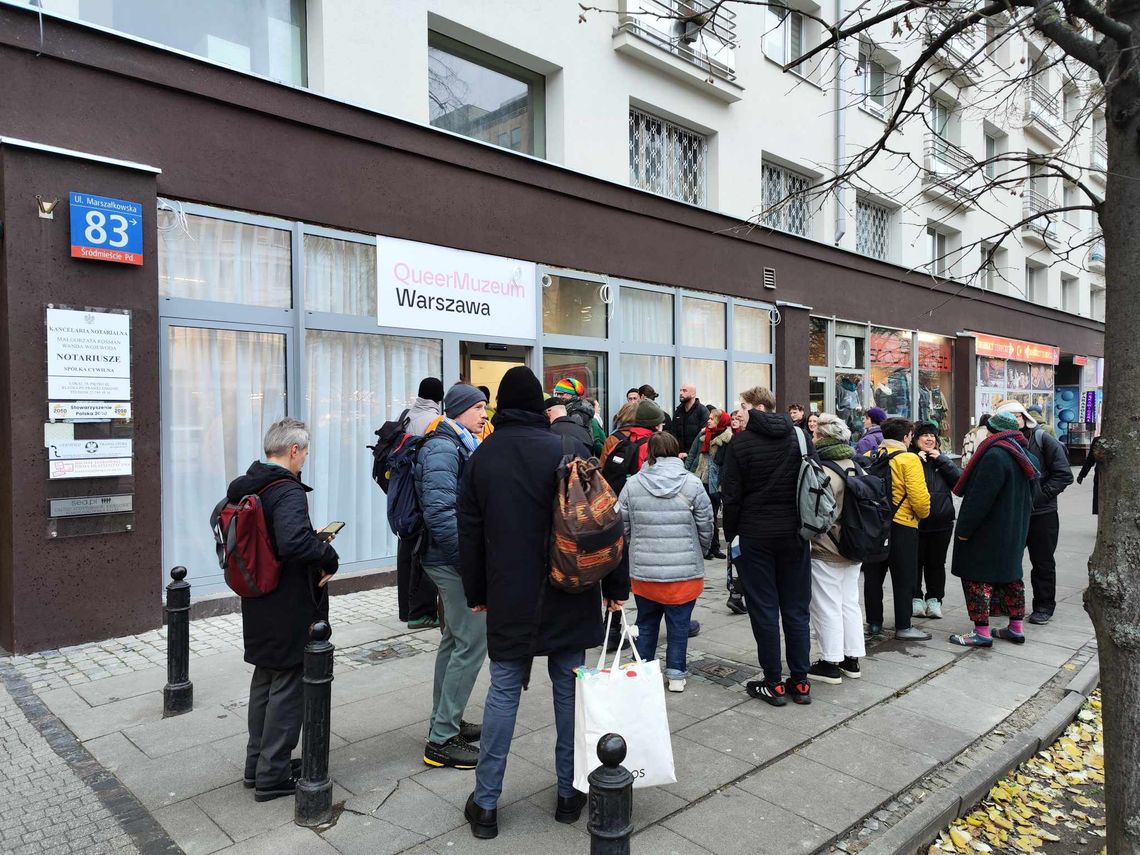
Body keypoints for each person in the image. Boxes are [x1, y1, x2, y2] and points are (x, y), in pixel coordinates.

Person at [458, 366, 629, 840]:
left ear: (498, 408)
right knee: (569, 693)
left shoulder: (482, 457)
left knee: (503, 692)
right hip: (569, 588)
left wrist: (476, 593)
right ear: (539, 405)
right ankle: (570, 794)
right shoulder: (567, 448)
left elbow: (468, 536)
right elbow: (603, 520)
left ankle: (487, 804)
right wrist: (616, 587)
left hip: (509, 593)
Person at [229, 418, 339, 802]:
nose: (305, 458)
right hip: (288, 599)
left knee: (265, 678)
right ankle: (273, 774)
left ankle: (256, 765)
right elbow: (293, 542)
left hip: (258, 595)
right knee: (290, 682)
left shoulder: (248, 485)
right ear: (294, 450)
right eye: (305, 451)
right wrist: (327, 553)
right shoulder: (287, 491)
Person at [719, 385, 814, 706]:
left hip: (756, 536)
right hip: (795, 534)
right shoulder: (800, 437)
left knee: (764, 609)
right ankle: (800, 682)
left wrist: (732, 535)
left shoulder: (740, 444)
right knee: (797, 609)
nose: (739, 411)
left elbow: (730, 497)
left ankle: (773, 682)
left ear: (756, 407)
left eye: (742, 405)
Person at [416, 385, 489, 770]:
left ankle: (445, 718)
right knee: (474, 640)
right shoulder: (444, 447)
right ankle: (441, 739)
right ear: (459, 410)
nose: (484, 413)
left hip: (447, 557)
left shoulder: (457, 442)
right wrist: (470, 565)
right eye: (478, 407)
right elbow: (441, 514)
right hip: (449, 559)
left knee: (455, 639)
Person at [620, 432, 713, 694]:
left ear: (649, 453)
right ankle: (676, 675)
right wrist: (700, 549)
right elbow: (706, 524)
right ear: (676, 451)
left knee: (646, 623)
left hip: (644, 573)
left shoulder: (634, 484)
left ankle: (642, 671)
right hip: (684, 572)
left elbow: (622, 527)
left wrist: (633, 548)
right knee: (679, 626)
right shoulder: (692, 484)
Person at [948, 412, 1040, 646]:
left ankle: (982, 632)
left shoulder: (995, 455)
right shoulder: (1025, 455)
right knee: (1011, 577)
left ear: (990, 432)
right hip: (1014, 530)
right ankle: (1016, 628)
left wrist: (964, 529)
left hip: (988, 533)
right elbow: (1033, 496)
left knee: (978, 579)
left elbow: (979, 499)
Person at [995, 400, 1073, 625]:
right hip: (1011, 514)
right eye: (1008, 417)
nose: (1014, 420)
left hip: (1042, 514)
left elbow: (1063, 474)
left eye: (1017, 416)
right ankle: (1008, 604)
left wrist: (1038, 497)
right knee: (1008, 561)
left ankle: (1044, 606)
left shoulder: (1043, 439)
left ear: (1024, 417)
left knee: (1043, 562)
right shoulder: (998, 443)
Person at [862, 418, 933, 641]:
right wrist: (923, 515)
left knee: (873, 576)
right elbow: (919, 499)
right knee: (903, 577)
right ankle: (903, 625)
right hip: (902, 525)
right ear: (905, 437)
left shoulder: (870, 456)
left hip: (874, 525)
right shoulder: (908, 459)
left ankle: (874, 624)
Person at [808, 414, 866, 684]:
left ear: (824, 438)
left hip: (827, 547)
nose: (813, 438)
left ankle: (830, 662)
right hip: (855, 545)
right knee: (849, 602)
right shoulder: (857, 465)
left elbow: (816, 515)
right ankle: (852, 659)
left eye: (816, 434)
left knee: (826, 605)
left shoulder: (822, 470)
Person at [398, 377, 443, 628]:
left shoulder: (406, 415)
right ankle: (422, 612)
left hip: (403, 494)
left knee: (406, 549)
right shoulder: (434, 421)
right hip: (422, 492)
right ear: (439, 397)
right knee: (425, 550)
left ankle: (406, 609)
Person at [909, 421, 961, 620]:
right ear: (915, 439)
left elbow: (959, 484)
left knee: (936, 564)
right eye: (925, 435)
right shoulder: (910, 459)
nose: (929, 439)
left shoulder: (943, 461)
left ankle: (934, 600)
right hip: (915, 522)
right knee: (914, 563)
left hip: (942, 522)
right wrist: (915, 460)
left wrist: (943, 461)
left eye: (933, 436)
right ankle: (915, 598)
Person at [684, 408, 731, 560]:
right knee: (703, 515)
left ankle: (714, 547)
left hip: (714, 482)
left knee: (712, 515)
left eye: (713, 418)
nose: (709, 420)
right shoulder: (703, 435)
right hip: (699, 478)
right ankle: (708, 548)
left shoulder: (727, 439)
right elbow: (692, 454)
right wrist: (687, 472)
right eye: (709, 418)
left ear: (720, 421)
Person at [552, 377, 605, 455]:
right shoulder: (575, 408)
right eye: (556, 394)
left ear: (571, 394)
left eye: (561, 394)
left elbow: (574, 436)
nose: (558, 397)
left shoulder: (576, 412)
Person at [671, 383, 709, 461]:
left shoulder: (702, 411)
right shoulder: (678, 411)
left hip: (696, 458)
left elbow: (704, 437)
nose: (681, 393)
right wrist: (676, 452)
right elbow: (673, 434)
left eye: (685, 391)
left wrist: (689, 453)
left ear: (693, 394)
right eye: (680, 390)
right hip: (678, 457)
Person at [1077, 435, 1105, 515]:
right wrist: (1082, 474)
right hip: (1100, 476)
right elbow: (1090, 459)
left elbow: (1090, 459)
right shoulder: (1098, 440)